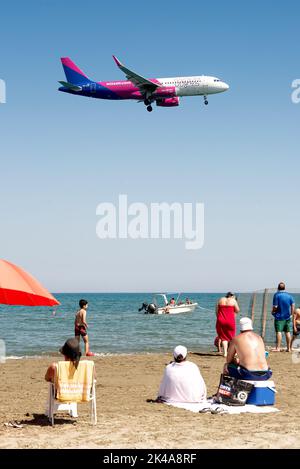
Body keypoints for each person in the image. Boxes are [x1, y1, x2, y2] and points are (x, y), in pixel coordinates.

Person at [272, 282, 295, 352]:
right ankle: (289, 348)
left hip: (279, 317)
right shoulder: (289, 296)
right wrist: (291, 314)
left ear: (278, 288)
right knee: (287, 332)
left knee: (279, 332)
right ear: (284, 288)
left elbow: (275, 306)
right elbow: (293, 305)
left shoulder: (276, 295)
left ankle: (278, 348)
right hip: (287, 317)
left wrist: (273, 311)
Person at [216, 292, 240, 357]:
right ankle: (234, 352)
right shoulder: (233, 301)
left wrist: (219, 319)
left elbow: (216, 311)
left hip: (220, 320)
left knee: (223, 337)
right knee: (231, 337)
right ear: (232, 296)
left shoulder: (220, 299)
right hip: (230, 320)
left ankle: (225, 353)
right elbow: (238, 310)